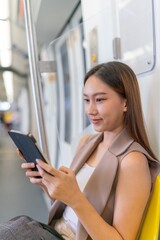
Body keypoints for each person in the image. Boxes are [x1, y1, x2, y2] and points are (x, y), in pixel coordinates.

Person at [0, 61, 159, 240]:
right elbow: (70, 210)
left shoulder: (132, 161)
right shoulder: (86, 143)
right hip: (53, 230)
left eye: (99, 100)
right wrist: (46, 184)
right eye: (86, 100)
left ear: (126, 103)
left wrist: (75, 198)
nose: (90, 110)